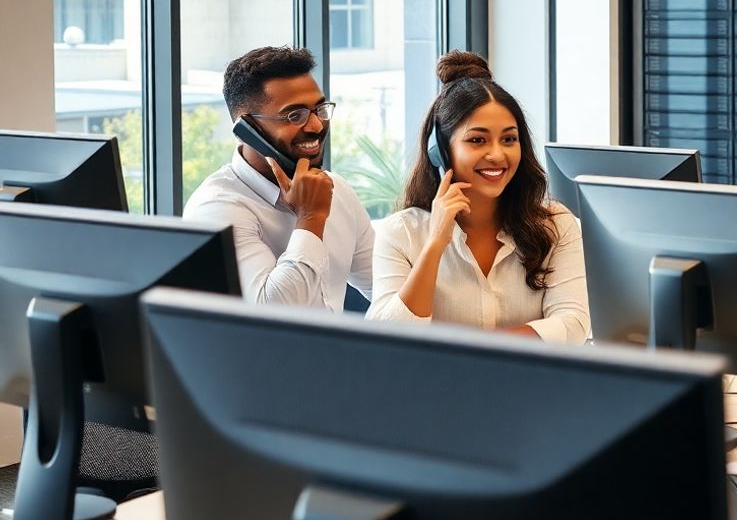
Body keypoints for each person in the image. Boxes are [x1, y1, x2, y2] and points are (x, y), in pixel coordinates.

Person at [367, 51, 589, 344]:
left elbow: (572, 325)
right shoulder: (401, 233)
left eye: (509, 139)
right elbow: (387, 339)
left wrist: (479, 354)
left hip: (530, 387)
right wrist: (435, 244)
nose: (497, 154)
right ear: (441, 152)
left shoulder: (556, 226)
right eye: (477, 140)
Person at [184, 46, 373, 310]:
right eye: (295, 115)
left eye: (319, 109)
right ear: (246, 129)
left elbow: (386, 287)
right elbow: (273, 314)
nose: (317, 126)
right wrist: (310, 218)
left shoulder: (336, 189)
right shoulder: (217, 210)